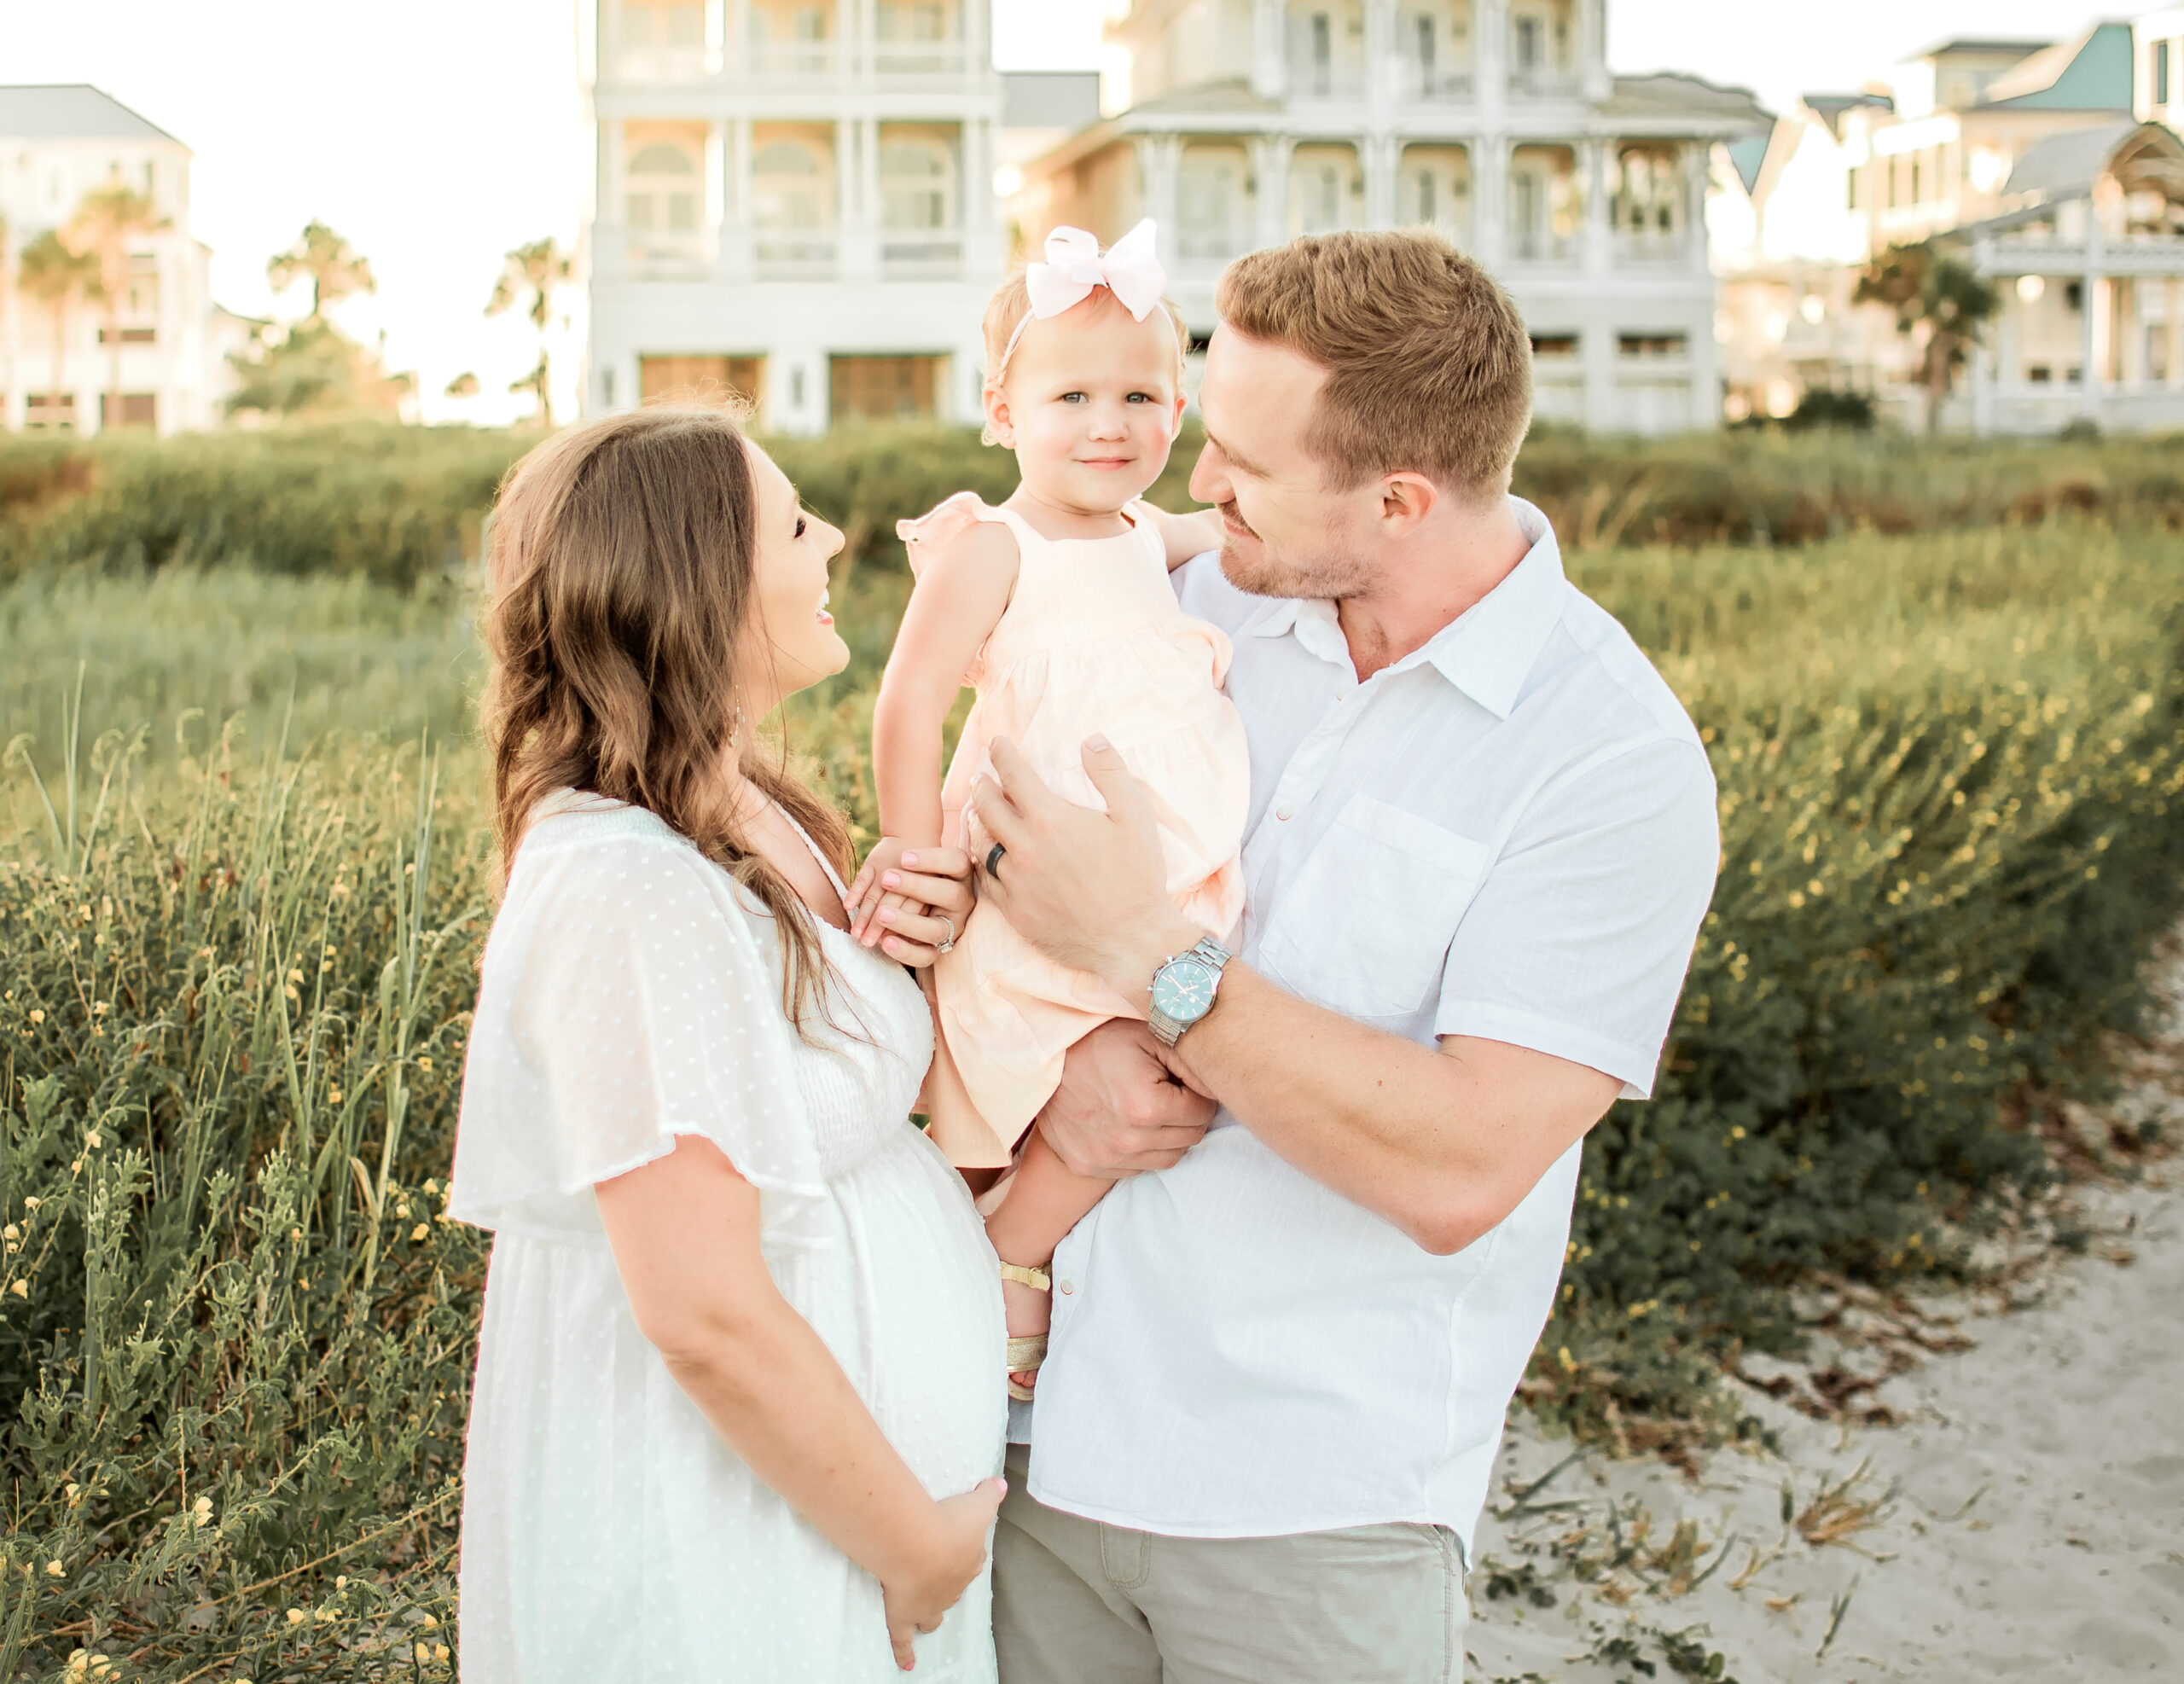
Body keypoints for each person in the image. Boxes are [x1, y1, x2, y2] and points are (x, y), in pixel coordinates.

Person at [967, 229, 1722, 1683]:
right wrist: (1055, 1071)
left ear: (1398, 497)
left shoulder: (1609, 760)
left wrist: (1159, 965)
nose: (1195, 482)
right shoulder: (1190, 602)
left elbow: (1461, 1165)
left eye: (1241, 459)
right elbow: (1012, 839)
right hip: (1032, 1454)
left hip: (1313, 1507)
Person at [449, 407, 1008, 1681]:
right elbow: (700, 1306)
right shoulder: (623, 884)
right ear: (699, 581)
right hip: (744, 1531)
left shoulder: (740, 798)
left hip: (824, 1523)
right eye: (797, 525)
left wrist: (926, 936)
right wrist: (913, 1544)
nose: (835, 543)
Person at [842, 220, 1244, 1402]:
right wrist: (919, 858)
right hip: (1030, 870)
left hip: (1152, 877)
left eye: (1141, 394)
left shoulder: (1146, 537)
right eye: (1071, 394)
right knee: (1083, 1061)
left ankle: (1008, 1243)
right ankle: (1002, 1245)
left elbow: (1239, 531)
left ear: (1180, 410)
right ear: (1004, 411)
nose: (1110, 424)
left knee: (1176, 1062)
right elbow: (909, 703)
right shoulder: (995, 546)